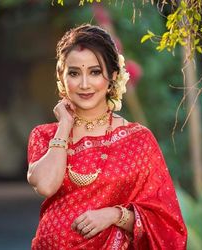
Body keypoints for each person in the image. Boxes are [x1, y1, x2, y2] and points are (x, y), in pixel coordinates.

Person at [27, 24, 187, 250]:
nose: (84, 84)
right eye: (74, 73)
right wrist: (64, 124)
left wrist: (114, 215)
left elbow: (165, 223)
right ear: (62, 78)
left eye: (94, 72)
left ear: (112, 76)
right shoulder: (45, 135)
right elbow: (45, 185)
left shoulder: (138, 140)